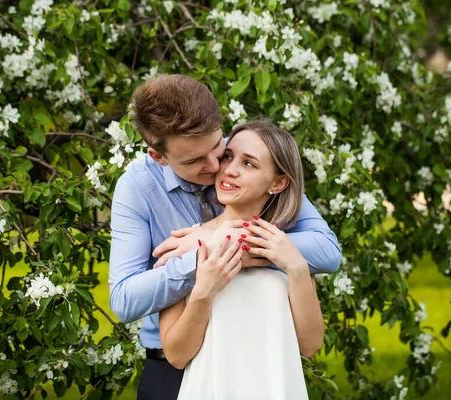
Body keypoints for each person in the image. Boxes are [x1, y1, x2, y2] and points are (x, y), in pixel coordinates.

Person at [108, 74, 341, 400]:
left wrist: (230, 245)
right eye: (194, 160)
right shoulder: (139, 190)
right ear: (159, 157)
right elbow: (125, 300)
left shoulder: (254, 155)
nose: (219, 165)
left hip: (266, 374)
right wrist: (204, 255)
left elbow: (327, 252)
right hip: (178, 371)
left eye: (220, 148)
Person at [159, 119, 322, 400]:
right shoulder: (186, 245)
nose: (229, 170)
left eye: (249, 164)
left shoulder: (287, 248)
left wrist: (296, 268)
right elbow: (176, 355)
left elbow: (309, 345)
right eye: (229, 157)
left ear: (279, 182)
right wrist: (204, 290)